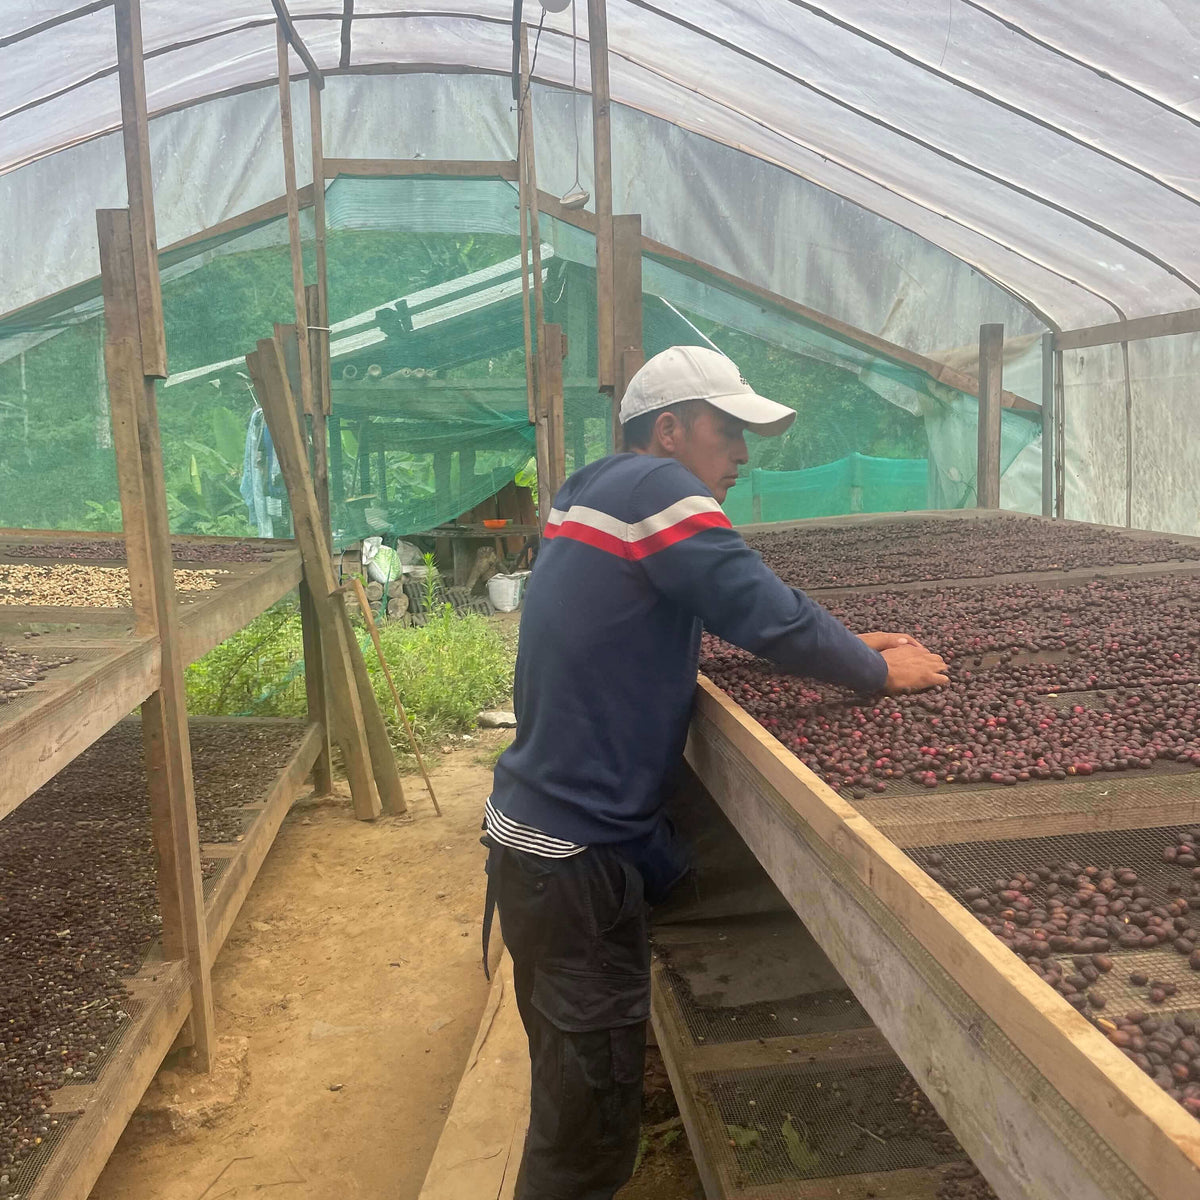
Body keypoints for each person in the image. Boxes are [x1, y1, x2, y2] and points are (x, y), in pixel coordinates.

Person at [481, 345, 948, 1200]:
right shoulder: (662, 491)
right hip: (574, 863)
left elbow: (670, 613)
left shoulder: (588, 490)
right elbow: (756, 605)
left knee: (570, 1100)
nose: (742, 456)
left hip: (533, 842)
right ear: (669, 431)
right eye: (727, 432)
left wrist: (844, 644)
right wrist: (877, 672)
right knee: (584, 1142)